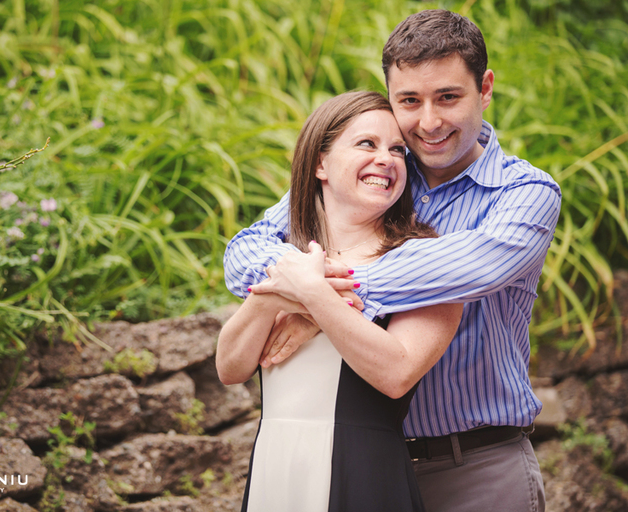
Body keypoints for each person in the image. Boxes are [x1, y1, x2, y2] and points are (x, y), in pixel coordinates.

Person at [224, 9, 561, 512]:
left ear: (485, 88)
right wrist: (293, 282)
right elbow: (246, 251)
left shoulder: (523, 193)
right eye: (409, 100)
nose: (428, 122)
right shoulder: (374, 177)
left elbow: (468, 271)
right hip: (364, 464)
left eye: (448, 97)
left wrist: (318, 295)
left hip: (476, 466)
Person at [217, 90, 463, 512]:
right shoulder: (285, 257)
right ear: (320, 163)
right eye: (367, 144)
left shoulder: (424, 260)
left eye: (398, 150)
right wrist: (276, 293)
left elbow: (397, 372)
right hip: (276, 470)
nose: (386, 158)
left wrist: (313, 294)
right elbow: (230, 367)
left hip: (363, 472)